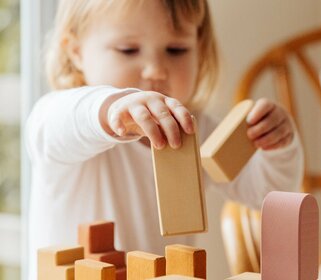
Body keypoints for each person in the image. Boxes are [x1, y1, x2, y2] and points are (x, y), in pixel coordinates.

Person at [26, 0, 303, 278]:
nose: (155, 69)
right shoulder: (70, 121)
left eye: (176, 50)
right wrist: (110, 109)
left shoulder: (198, 130)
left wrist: (277, 147)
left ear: (200, 51)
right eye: (128, 50)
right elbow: (50, 127)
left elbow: (266, 195)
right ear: (76, 52)